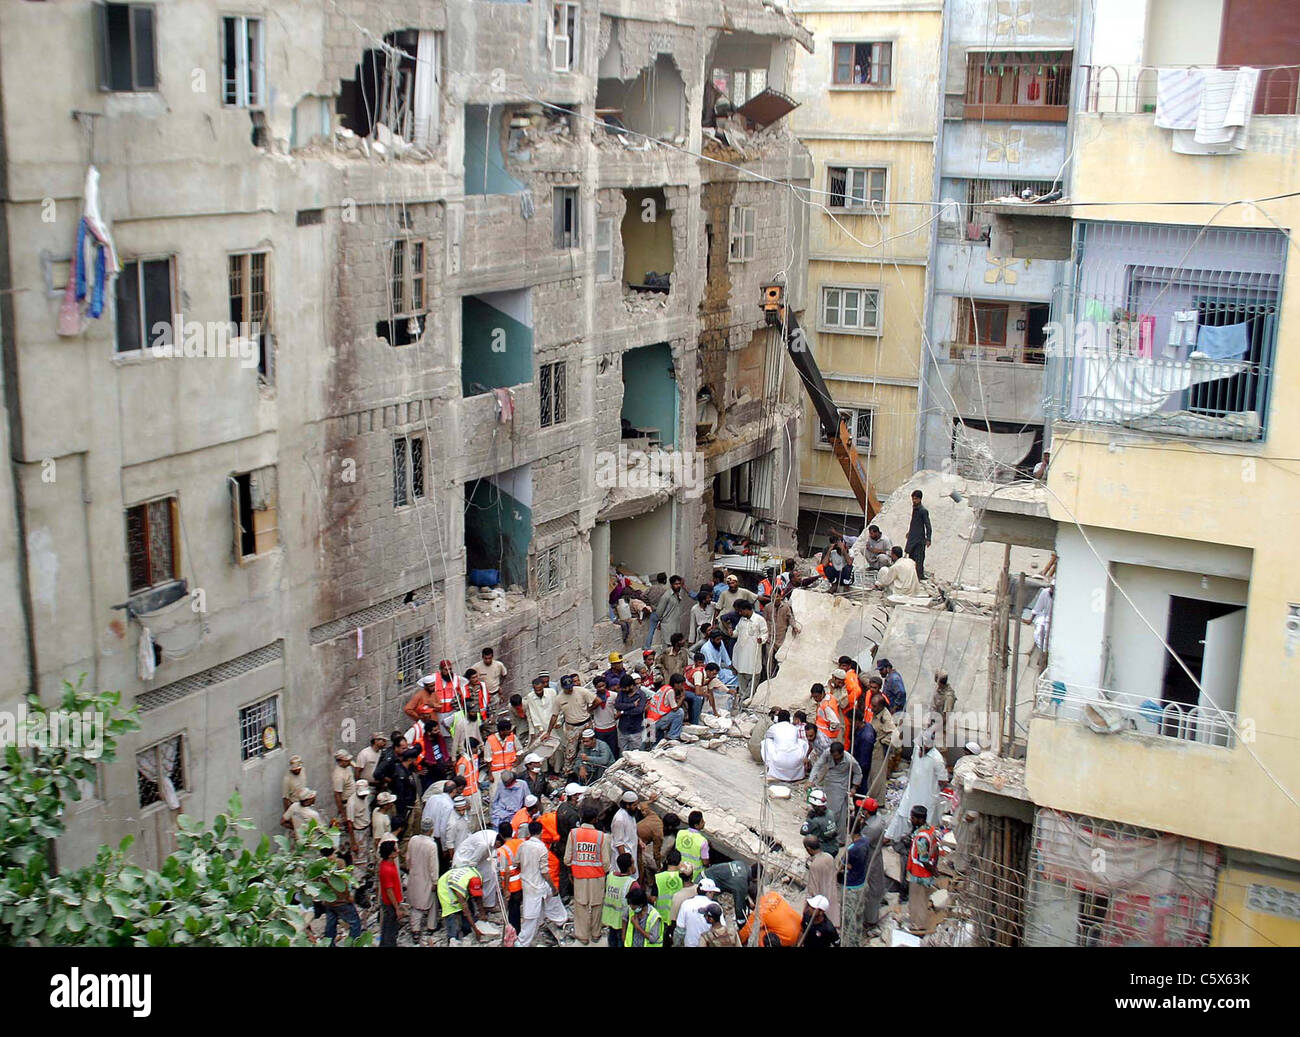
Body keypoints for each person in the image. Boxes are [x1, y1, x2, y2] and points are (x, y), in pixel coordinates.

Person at [563, 803, 612, 945]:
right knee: (597, 905)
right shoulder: (601, 836)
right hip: (597, 877)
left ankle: (582, 935)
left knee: (581, 906)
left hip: (579, 876)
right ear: (595, 819)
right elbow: (606, 863)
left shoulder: (573, 834)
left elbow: (567, 859)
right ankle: (596, 934)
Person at [885, 733, 947, 841]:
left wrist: (933, 790)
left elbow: (943, 780)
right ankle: (891, 837)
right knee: (902, 813)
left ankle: (917, 842)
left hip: (926, 796)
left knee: (923, 823)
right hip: (912, 790)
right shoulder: (916, 749)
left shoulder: (937, 759)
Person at [843, 797, 887, 944]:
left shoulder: (870, 829)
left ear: (867, 813)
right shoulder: (877, 820)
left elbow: (861, 845)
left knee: (872, 889)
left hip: (871, 859)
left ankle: (871, 920)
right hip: (874, 855)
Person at [518, 819, 568, 946]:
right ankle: (522, 941)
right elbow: (545, 872)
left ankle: (560, 919)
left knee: (551, 899)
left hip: (527, 883)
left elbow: (517, 862)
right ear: (541, 832)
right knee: (531, 917)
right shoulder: (541, 848)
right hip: (537, 885)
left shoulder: (522, 846)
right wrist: (553, 886)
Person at [810, 740, 862, 839]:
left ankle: (837, 837)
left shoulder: (850, 760)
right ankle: (835, 836)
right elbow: (818, 765)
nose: (834, 758)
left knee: (837, 812)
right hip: (829, 782)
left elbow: (858, 772)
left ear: (842, 753)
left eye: (837, 756)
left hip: (841, 785)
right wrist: (811, 780)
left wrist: (854, 787)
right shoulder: (827, 753)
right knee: (831, 810)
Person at [406, 816, 441, 945]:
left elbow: (408, 859)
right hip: (427, 877)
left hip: (415, 875)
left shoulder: (413, 840)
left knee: (416, 904)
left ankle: (415, 930)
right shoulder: (431, 845)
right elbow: (433, 865)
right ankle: (431, 926)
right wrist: (435, 881)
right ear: (431, 830)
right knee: (430, 902)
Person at [905, 805, 939, 934]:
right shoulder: (930, 830)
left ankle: (918, 925)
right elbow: (935, 849)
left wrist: (933, 870)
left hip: (919, 874)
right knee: (922, 900)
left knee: (917, 900)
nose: (911, 819)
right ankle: (919, 921)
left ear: (919, 819)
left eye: (912, 817)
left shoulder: (921, 839)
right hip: (924, 873)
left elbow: (923, 860)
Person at [554, 675, 598, 773]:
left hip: (586, 724)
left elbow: (597, 700)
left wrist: (589, 710)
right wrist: (548, 731)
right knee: (570, 751)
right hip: (571, 727)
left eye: (571, 688)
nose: (570, 690)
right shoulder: (559, 698)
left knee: (586, 748)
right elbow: (554, 715)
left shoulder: (582, 691)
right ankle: (568, 771)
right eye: (567, 688)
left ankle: (588, 769)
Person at [320, 846, 362, 946]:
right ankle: (354, 944)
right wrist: (349, 896)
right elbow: (345, 881)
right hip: (341, 900)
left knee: (330, 925)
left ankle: (329, 944)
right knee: (355, 923)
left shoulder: (320, 865)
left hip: (329, 900)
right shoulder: (339, 862)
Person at [731, 599, 768, 707]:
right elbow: (737, 632)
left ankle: (748, 700)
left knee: (754, 675)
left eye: (740, 611)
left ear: (747, 610)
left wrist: (762, 639)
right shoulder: (742, 620)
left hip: (753, 655)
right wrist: (731, 632)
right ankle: (742, 699)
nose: (739, 613)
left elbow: (765, 633)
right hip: (741, 655)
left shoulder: (759, 620)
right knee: (741, 676)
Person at [437, 866, 486, 945]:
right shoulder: (460, 888)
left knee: (469, 904)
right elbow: (466, 910)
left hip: (459, 882)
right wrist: (476, 930)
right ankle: (452, 938)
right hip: (446, 885)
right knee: (452, 911)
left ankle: (466, 930)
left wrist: (483, 914)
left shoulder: (478, 877)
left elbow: (478, 898)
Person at [803, 835, 841, 929]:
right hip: (831, 893)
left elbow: (812, 889)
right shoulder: (829, 857)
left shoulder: (814, 865)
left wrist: (807, 907)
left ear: (809, 849)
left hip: (820, 899)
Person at [867, 689, 899, 800]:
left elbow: (895, 735)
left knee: (877, 776)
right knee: (871, 775)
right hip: (872, 748)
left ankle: (877, 801)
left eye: (874, 706)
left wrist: (883, 741)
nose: (872, 708)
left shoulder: (885, 718)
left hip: (879, 751)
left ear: (881, 706)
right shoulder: (876, 714)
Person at [603, 852, 639, 947]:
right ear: (630, 867)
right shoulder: (632, 884)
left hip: (610, 918)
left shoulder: (610, 876)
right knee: (621, 942)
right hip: (623, 922)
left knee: (612, 940)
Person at [703, 859, 754, 926]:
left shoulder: (741, 864)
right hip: (706, 887)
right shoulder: (740, 881)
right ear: (755, 878)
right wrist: (741, 923)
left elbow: (742, 888)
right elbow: (739, 906)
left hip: (705, 875)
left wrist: (747, 900)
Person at [761, 709, 808, 782]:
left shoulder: (774, 727)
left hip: (779, 762)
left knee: (765, 742)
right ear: (789, 719)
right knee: (801, 742)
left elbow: (767, 735)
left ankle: (769, 765)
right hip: (795, 763)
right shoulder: (794, 728)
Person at [496, 820, 524, 934]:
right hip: (522, 881)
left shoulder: (502, 851)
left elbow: (506, 871)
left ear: (501, 835)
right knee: (517, 909)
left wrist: (506, 890)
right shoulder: (520, 842)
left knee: (513, 912)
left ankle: (514, 934)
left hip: (512, 886)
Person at [676, 876, 720, 947]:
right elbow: (721, 928)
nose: (713, 895)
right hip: (709, 944)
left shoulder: (686, 904)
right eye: (713, 893)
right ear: (709, 892)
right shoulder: (714, 906)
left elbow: (680, 930)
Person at [377, 839, 404, 946]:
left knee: (388, 927)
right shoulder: (387, 869)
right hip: (390, 904)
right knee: (390, 929)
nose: (398, 851)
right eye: (396, 849)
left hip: (389, 902)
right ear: (390, 854)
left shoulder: (386, 864)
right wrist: (397, 908)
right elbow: (389, 890)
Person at [651, 575, 690, 649]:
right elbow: (659, 612)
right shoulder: (666, 596)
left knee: (675, 646)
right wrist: (662, 621)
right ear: (671, 585)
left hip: (675, 625)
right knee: (668, 647)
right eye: (676, 584)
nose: (678, 586)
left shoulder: (676, 595)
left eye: (679, 584)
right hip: (668, 626)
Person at [612, 790, 645, 878]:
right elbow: (619, 843)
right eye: (634, 805)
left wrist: (639, 841)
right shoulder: (619, 819)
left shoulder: (630, 814)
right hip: (624, 858)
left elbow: (633, 830)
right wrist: (627, 865)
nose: (637, 807)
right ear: (627, 805)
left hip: (631, 855)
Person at [614, 674, 648, 754]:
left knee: (637, 755)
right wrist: (632, 705)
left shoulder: (641, 695)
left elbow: (639, 711)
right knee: (623, 754)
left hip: (636, 731)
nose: (623, 690)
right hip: (623, 729)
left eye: (625, 688)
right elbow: (617, 705)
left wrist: (623, 712)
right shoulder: (622, 693)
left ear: (631, 686)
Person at [647, 674, 687, 744]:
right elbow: (675, 709)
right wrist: (682, 697)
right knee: (679, 712)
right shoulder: (670, 691)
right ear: (676, 684)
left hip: (652, 720)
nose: (682, 687)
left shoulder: (665, 687)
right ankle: (673, 736)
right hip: (656, 721)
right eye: (681, 684)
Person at [345, 779, 372, 875]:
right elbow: (350, 823)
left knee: (366, 855)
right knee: (358, 859)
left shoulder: (365, 797)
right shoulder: (352, 803)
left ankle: (364, 876)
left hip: (366, 829)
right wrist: (353, 843)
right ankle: (359, 881)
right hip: (358, 832)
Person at [800, 789, 839, 855]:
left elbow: (803, 831)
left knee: (808, 840)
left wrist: (808, 819)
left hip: (823, 849)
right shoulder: (831, 813)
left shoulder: (815, 821)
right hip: (834, 846)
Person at [590, 679, 621, 761]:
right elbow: (589, 710)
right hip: (599, 729)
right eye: (599, 687)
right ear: (595, 687)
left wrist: (617, 715)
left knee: (613, 749)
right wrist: (596, 703)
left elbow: (619, 707)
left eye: (603, 685)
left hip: (612, 727)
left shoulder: (613, 695)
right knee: (602, 751)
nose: (601, 688)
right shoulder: (592, 697)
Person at [484, 719, 519, 791]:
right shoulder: (490, 740)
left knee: (512, 791)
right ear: (503, 731)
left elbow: (520, 751)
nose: (511, 731)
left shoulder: (512, 737)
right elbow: (488, 759)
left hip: (510, 769)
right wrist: (490, 775)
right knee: (495, 792)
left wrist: (516, 763)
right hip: (496, 772)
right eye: (509, 729)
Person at [675, 811, 710, 882]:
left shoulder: (680, 833)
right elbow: (705, 862)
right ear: (696, 825)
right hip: (694, 875)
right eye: (702, 821)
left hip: (680, 870)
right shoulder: (702, 841)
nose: (704, 823)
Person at [906, 489, 933, 581]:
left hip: (919, 539)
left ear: (920, 499)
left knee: (919, 558)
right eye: (913, 499)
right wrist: (910, 532)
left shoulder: (923, 510)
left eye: (916, 499)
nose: (914, 501)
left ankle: (919, 576)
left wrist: (928, 538)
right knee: (911, 558)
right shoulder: (915, 509)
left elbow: (928, 525)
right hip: (913, 537)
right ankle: (911, 576)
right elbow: (914, 522)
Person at [479, 646, 509, 714]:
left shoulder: (498, 665)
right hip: (483, 696)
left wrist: (499, 685)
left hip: (495, 694)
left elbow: (504, 675)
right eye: (485, 658)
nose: (488, 660)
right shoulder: (477, 667)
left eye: (489, 658)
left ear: (492, 656)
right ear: (482, 657)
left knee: (496, 714)